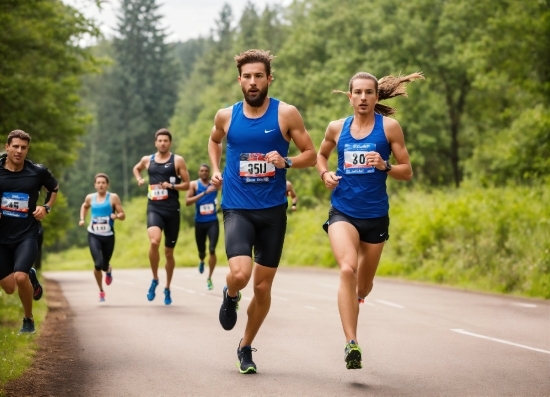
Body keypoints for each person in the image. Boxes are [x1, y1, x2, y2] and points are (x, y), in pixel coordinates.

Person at [208, 49, 317, 374]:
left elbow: (311, 155)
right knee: (241, 275)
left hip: (272, 212)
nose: (252, 82)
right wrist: (215, 168)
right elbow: (214, 141)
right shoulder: (226, 116)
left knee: (263, 287)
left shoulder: (286, 114)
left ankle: (245, 346)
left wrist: (286, 162)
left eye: (258, 76)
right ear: (239, 80)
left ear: (269, 79)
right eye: (247, 76)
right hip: (238, 207)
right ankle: (230, 293)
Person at [316, 72, 423, 369]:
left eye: (369, 93)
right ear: (349, 97)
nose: (363, 98)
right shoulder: (336, 128)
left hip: (375, 216)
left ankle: (359, 297)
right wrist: (325, 174)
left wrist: (385, 165)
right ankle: (352, 343)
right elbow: (320, 157)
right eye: (358, 93)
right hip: (343, 212)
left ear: (377, 97)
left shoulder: (389, 128)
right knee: (347, 269)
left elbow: (407, 171)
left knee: (363, 286)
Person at [0, 130, 59, 334]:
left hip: (27, 234)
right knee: (9, 288)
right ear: (7, 147)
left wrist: (46, 207)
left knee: (19, 277)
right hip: (2, 237)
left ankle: (28, 320)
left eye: (23, 148)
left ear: (27, 150)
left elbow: (54, 188)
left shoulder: (37, 171)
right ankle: (31, 275)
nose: (19, 151)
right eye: (15, 146)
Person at [133, 128, 190, 305]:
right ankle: (155, 278)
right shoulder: (147, 160)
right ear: (155, 143)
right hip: (154, 208)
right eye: (160, 141)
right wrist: (139, 179)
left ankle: (167, 287)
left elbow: (187, 185)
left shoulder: (177, 160)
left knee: (168, 253)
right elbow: (137, 168)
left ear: (170, 143)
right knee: (154, 241)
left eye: (166, 140)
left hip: (172, 210)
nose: (163, 143)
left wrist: (171, 187)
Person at [78, 173, 125, 302]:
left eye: (103, 182)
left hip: (109, 236)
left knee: (104, 266)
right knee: (98, 264)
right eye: (98, 182)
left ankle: (108, 269)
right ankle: (101, 290)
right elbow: (84, 206)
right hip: (94, 235)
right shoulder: (90, 198)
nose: (101, 185)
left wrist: (117, 216)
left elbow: (122, 214)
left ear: (107, 185)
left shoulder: (113, 198)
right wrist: (82, 218)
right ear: (95, 185)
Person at [185, 163, 219, 290]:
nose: (204, 172)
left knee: (212, 249)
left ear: (209, 172)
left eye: (206, 171)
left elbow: (226, 189)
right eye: (202, 171)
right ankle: (201, 260)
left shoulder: (214, 183)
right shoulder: (194, 185)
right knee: (202, 251)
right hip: (199, 222)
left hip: (212, 221)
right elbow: (187, 202)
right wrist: (205, 193)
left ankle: (209, 277)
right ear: (199, 173)